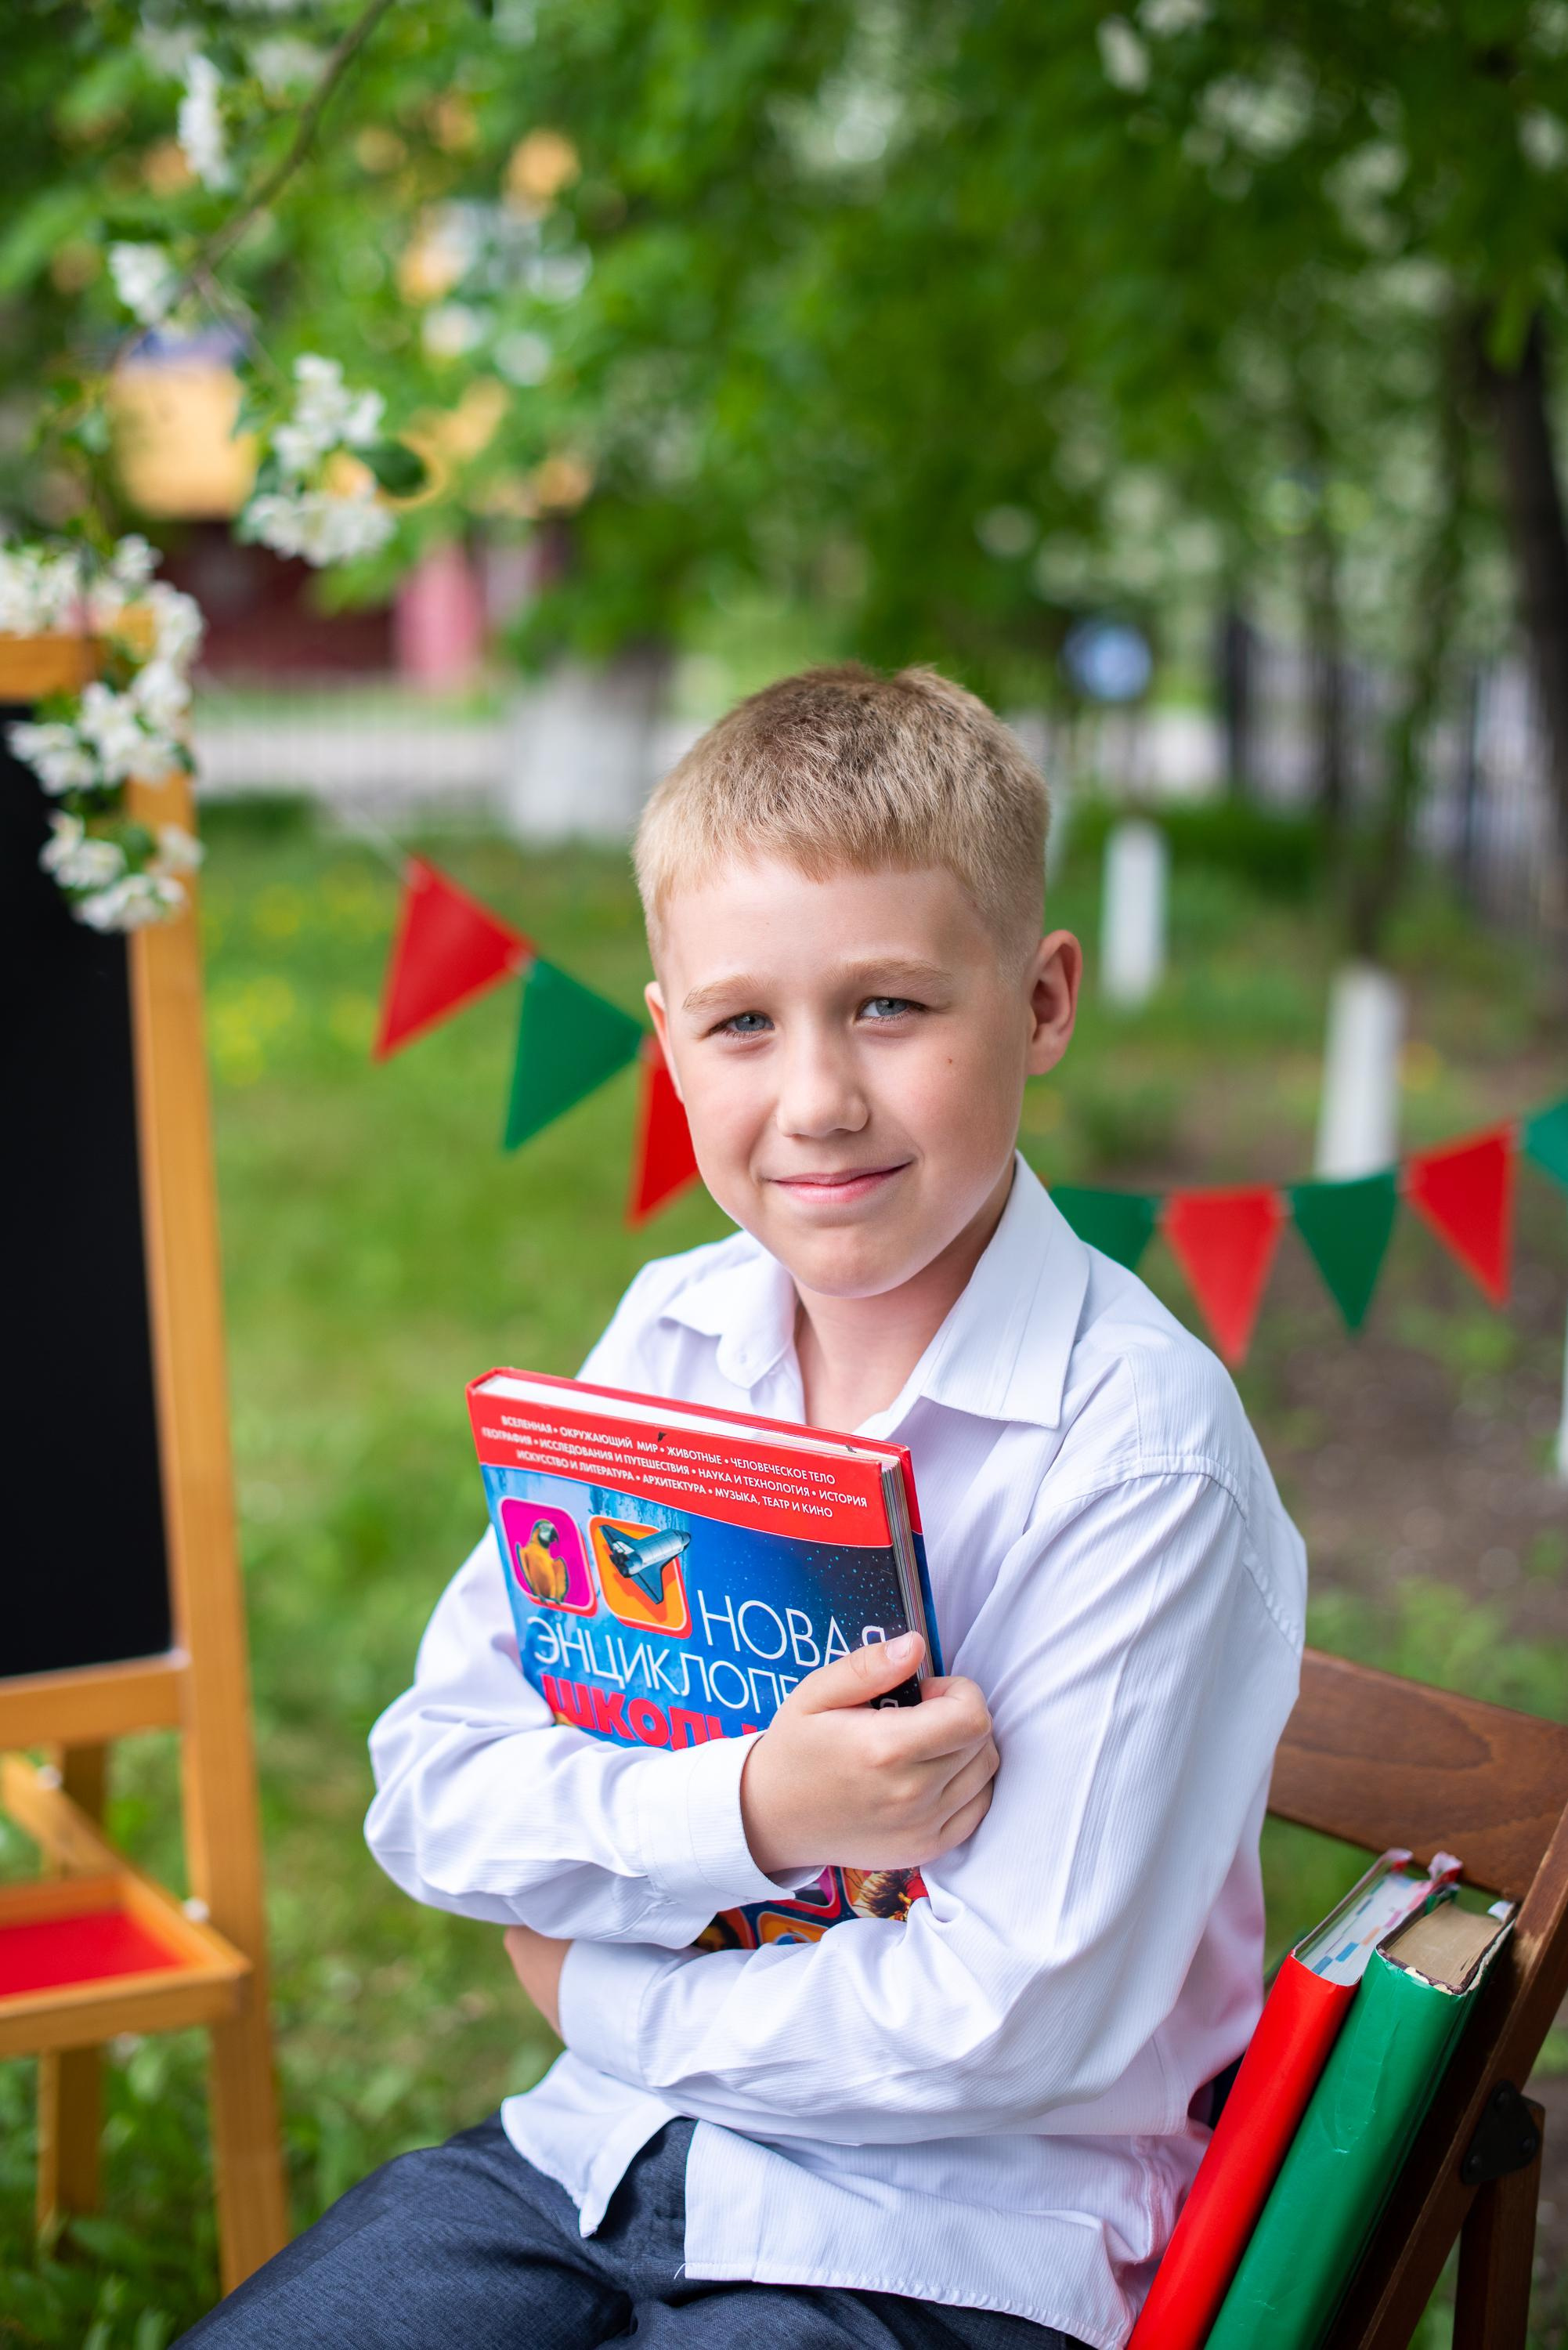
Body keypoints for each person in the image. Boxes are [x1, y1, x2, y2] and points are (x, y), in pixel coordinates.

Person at [183, 664, 1306, 2350]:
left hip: (940, 2251)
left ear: (1043, 998)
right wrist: (757, 1811)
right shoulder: (671, 1340)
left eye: (890, 1008)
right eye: (740, 1024)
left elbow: (1014, 2023)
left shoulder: (1133, 1455)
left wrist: (601, 1982)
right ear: (667, 1043)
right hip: (589, 2166)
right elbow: (434, 1789)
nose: (816, 1102)